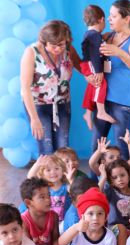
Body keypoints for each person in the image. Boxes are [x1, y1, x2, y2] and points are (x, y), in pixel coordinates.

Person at [90, 0, 130, 159]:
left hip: (122, 103)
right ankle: (94, 183)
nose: (109, 19)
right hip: (102, 101)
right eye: (109, 15)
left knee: (122, 146)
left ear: (127, 19)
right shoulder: (107, 36)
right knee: (96, 145)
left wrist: (120, 52)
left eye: (113, 16)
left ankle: (123, 183)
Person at [20, 20, 83, 154]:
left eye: (61, 44)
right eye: (53, 45)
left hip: (62, 103)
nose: (58, 49)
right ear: (44, 42)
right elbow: (25, 89)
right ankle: (45, 175)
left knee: (63, 147)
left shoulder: (68, 49)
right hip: (38, 105)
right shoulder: (31, 53)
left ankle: (65, 175)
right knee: (46, 147)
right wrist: (34, 119)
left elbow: (83, 68)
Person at [80, 5, 116, 130]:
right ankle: (101, 111)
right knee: (101, 84)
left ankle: (88, 113)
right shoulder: (94, 35)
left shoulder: (92, 34)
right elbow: (95, 54)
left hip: (88, 64)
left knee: (93, 86)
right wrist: (99, 71)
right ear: (101, 19)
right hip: (91, 63)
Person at [20, 178, 62, 245]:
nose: (48, 200)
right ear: (28, 202)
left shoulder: (54, 216)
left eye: (49, 195)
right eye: (42, 197)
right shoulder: (23, 221)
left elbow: (55, 239)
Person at [26, 155, 70, 221]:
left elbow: (74, 191)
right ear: (42, 174)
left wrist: (70, 179)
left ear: (63, 170)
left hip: (63, 221)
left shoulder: (67, 186)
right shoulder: (43, 187)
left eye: (56, 168)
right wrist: (37, 165)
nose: (53, 172)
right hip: (47, 221)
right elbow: (30, 178)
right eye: (48, 170)